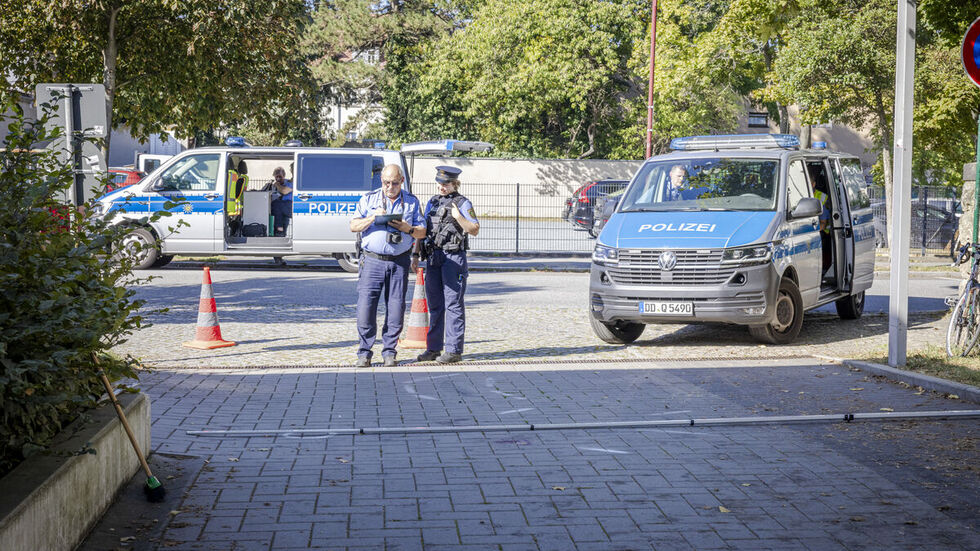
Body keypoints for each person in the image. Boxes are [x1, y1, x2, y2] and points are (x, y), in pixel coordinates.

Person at [349, 164, 425, 367]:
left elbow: (422, 232)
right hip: (372, 260)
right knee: (366, 307)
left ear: (401, 181)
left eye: (394, 183)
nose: (389, 187)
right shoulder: (369, 199)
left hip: (399, 261)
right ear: (381, 180)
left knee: (396, 308)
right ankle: (364, 352)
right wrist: (373, 217)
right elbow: (353, 225)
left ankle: (389, 351)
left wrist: (408, 229)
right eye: (386, 183)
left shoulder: (411, 201)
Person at [414, 166, 480, 364]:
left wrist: (459, 217)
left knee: (453, 305)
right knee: (435, 305)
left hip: (453, 258)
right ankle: (433, 348)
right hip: (434, 257)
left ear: (455, 184)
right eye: (440, 183)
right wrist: (415, 255)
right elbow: (423, 230)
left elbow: (475, 229)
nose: (442, 187)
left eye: (446, 184)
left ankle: (453, 350)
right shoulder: (432, 202)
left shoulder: (462, 202)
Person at [268, 167, 292, 237]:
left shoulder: (289, 183)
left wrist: (277, 185)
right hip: (283, 206)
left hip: (289, 205)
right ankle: (281, 233)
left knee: (276, 204)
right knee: (278, 209)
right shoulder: (275, 185)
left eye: (280, 177)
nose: (278, 179)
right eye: (276, 177)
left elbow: (284, 191)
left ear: (284, 176)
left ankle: (280, 230)